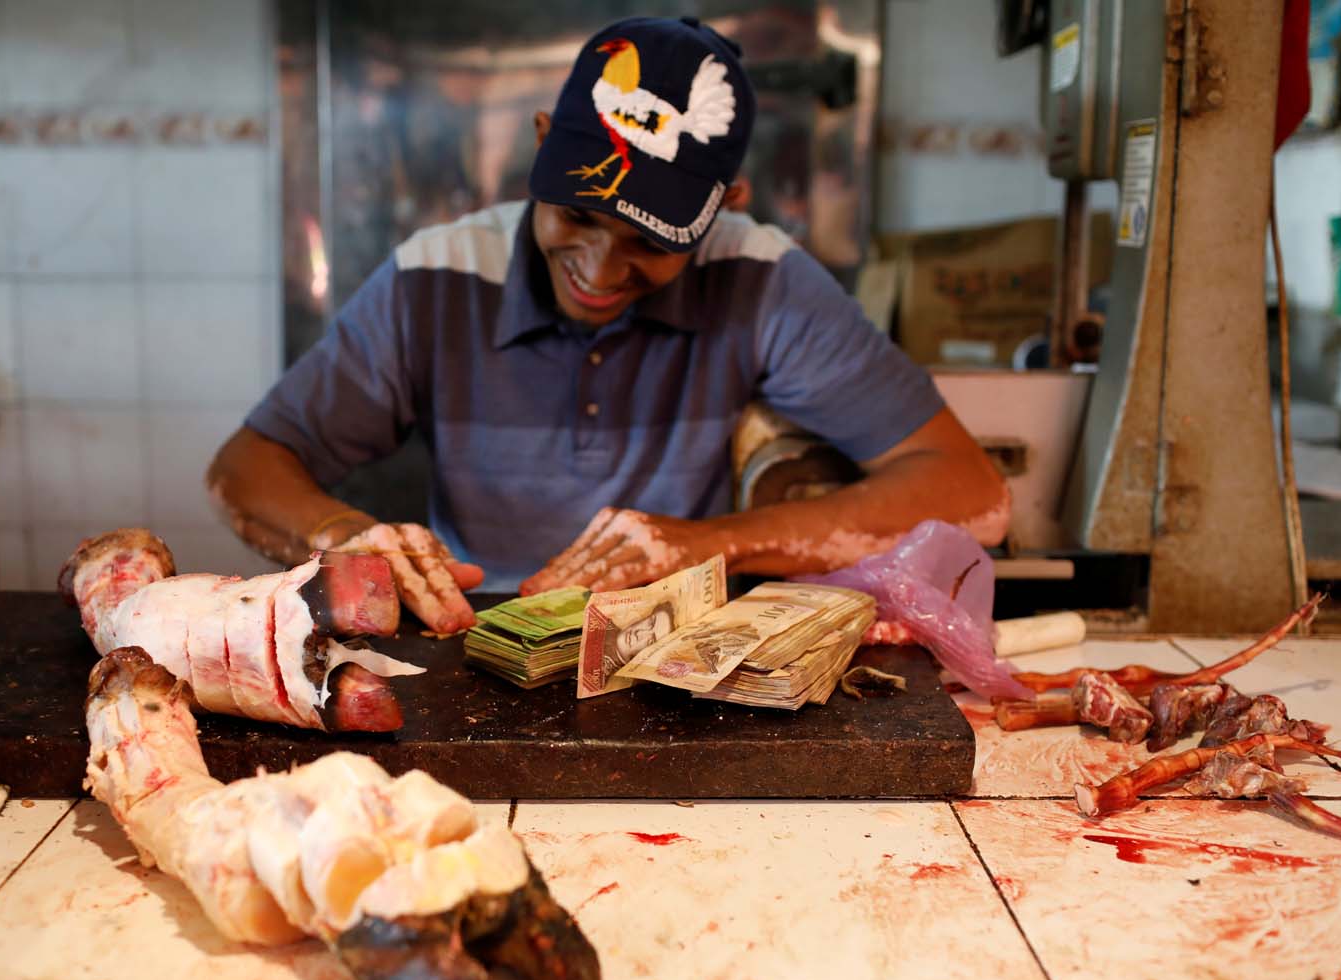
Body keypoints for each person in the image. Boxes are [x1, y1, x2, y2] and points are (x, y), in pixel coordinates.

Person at [207, 16, 1008, 635]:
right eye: (575, 216)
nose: (598, 264)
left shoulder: (763, 279)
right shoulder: (435, 278)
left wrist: (709, 544)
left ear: (722, 209)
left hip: (678, 657)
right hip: (466, 642)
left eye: (652, 243)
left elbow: (970, 492)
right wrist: (342, 533)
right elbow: (245, 467)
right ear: (543, 145)